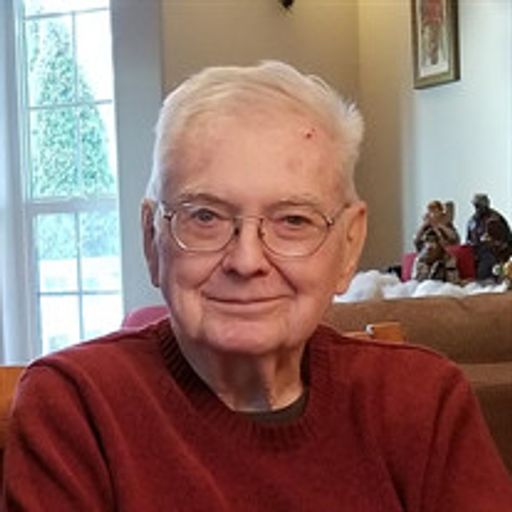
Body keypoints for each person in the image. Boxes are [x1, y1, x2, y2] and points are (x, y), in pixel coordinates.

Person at [3, 62, 512, 511]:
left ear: (349, 245)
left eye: (293, 220)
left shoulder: (422, 401)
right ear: (151, 239)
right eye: (205, 216)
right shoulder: (78, 408)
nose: (246, 261)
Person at [466, 193, 512, 280]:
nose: (477, 208)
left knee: (485, 272)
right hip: (476, 252)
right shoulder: (472, 220)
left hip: (494, 253)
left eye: (479, 205)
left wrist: (493, 242)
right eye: (475, 205)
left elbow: (505, 239)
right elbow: (469, 238)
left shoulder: (495, 219)